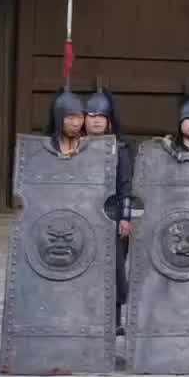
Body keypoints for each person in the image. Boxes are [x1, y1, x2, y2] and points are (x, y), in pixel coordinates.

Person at [85, 87, 133, 330]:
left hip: (111, 215)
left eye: (101, 116)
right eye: (91, 115)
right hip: (83, 215)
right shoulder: (76, 147)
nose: (96, 120)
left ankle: (114, 320)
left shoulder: (120, 149)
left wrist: (125, 217)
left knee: (113, 269)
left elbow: (126, 185)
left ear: (108, 121)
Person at [46, 89, 87, 158]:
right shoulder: (48, 145)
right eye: (70, 118)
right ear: (59, 118)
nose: (76, 123)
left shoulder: (88, 144)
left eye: (80, 117)